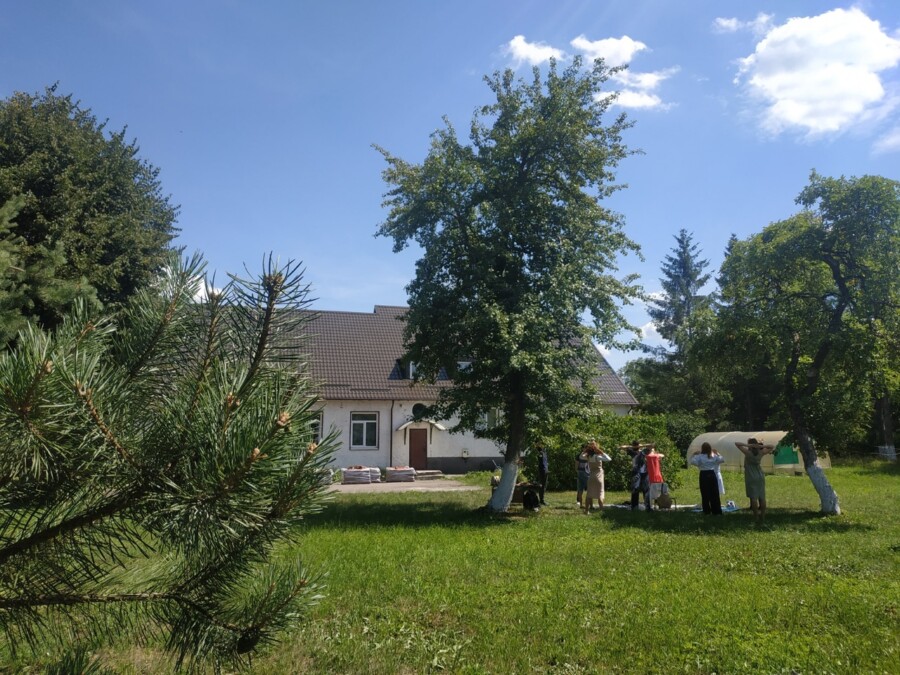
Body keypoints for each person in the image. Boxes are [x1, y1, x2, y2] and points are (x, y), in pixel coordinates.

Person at [735, 437, 775, 524]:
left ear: (750, 444)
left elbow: (737, 443)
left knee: (754, 498)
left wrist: (748, 445)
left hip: (751, 476)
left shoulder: (748, 453)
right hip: (760, 475)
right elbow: (772, 446)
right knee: (762, 497)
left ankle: (756, 516)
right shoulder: (761, 452)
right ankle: (763, 516)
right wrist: (760, 446)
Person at [690, 442, 726, 515]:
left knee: (705, 493)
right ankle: (716, 510)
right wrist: (717, 453)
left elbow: (693, 462)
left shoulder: (699, 456)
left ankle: (707, 511)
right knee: (714, 493)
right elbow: (722, 460)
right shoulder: (713, 456)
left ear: (702, 449)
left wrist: (694, 455)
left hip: (704, 474)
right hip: (712, 474)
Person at [620, 440, 651, 510]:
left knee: (646, 489)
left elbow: (651, 445)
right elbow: (622, 447)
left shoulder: (643, 451)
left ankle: (648, 506)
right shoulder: (632, 451)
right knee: (635, 488)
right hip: (636, 472)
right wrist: (632, 446)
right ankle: (634, 506)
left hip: (645, 473)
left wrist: (641, 446)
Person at [583, 440, 611, 513]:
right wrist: (601, 452)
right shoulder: (598, 457)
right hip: (599, 477)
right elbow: (609, 459)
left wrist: (586, 450)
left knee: (589, 495)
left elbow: (582, 456)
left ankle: (586, 511)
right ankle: (601, 511)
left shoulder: (588, 457)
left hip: (591, 477)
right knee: (600, 494)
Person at [645, 444, 665, 510]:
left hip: (651, 477)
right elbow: (662, 455)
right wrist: (656, 453)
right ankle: (657, 504)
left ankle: (651, 505)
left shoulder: (647, 456)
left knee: (652, 493)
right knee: (658, 492)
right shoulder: (656, 456)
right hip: (658, 477)